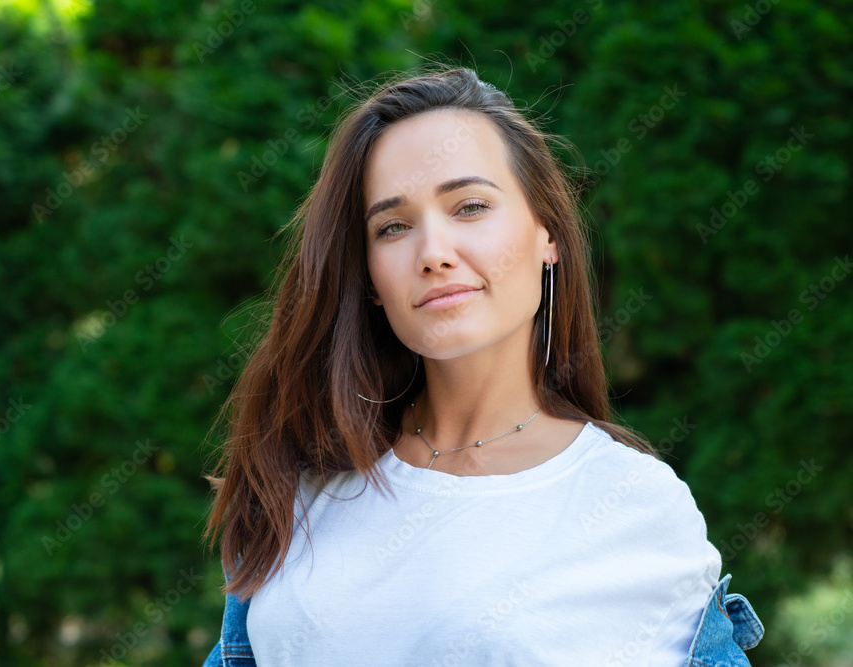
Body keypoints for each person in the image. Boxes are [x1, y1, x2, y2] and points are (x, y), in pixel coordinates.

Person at [201, 64, 764, 666]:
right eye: (392, 227)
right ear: (368, 278)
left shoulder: (632, 504)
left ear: (547, 234)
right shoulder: (304, 483)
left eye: (469, 206)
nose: (433, 253)